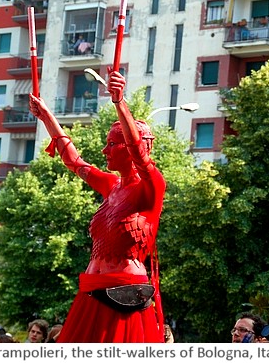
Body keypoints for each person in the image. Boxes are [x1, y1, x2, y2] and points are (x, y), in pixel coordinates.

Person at [28, 68, 166, 343]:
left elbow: (139, 152)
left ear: (128, 147)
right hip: (91, 289)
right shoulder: (112, 185)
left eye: (111, 144)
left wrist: (119, 102)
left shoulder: (151, 187)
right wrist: (46, 117)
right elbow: (74, 161)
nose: (104, 151)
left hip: (124, 293)